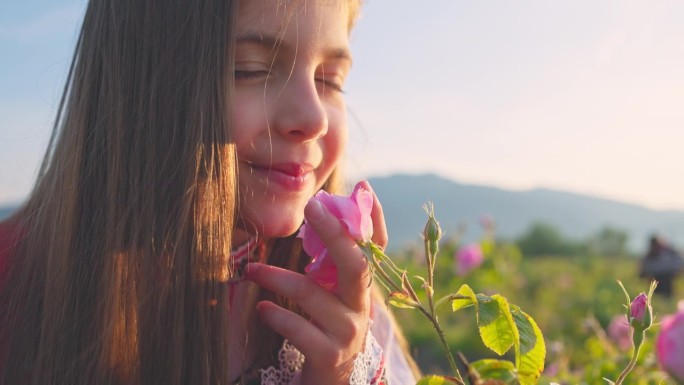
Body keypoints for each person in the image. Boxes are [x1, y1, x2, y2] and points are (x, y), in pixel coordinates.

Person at [0, 1, 420, 384]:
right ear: (137, 84)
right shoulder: (16, 286)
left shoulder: (342, 313)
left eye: (329, 80)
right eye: (250, 68)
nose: (313, 118)